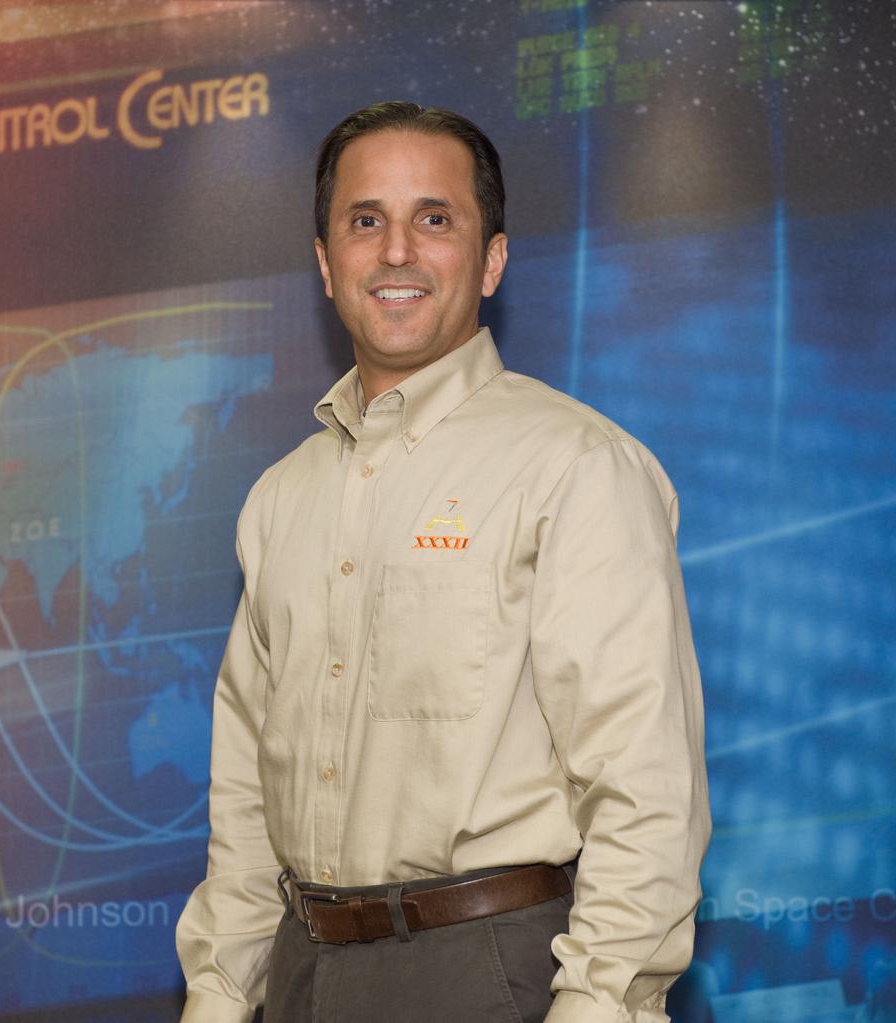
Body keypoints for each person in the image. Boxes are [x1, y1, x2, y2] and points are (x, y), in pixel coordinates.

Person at [175, 100, 710, 1023]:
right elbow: (246, 793)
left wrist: (599, 1005)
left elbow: (643, 784)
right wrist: (219, 998)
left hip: (496, 973)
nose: (395, 253)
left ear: (491, 258)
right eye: (364, 221)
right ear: (324, 260)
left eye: (435, 219)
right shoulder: (280, 498)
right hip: (301, 973)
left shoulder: (575, 466)